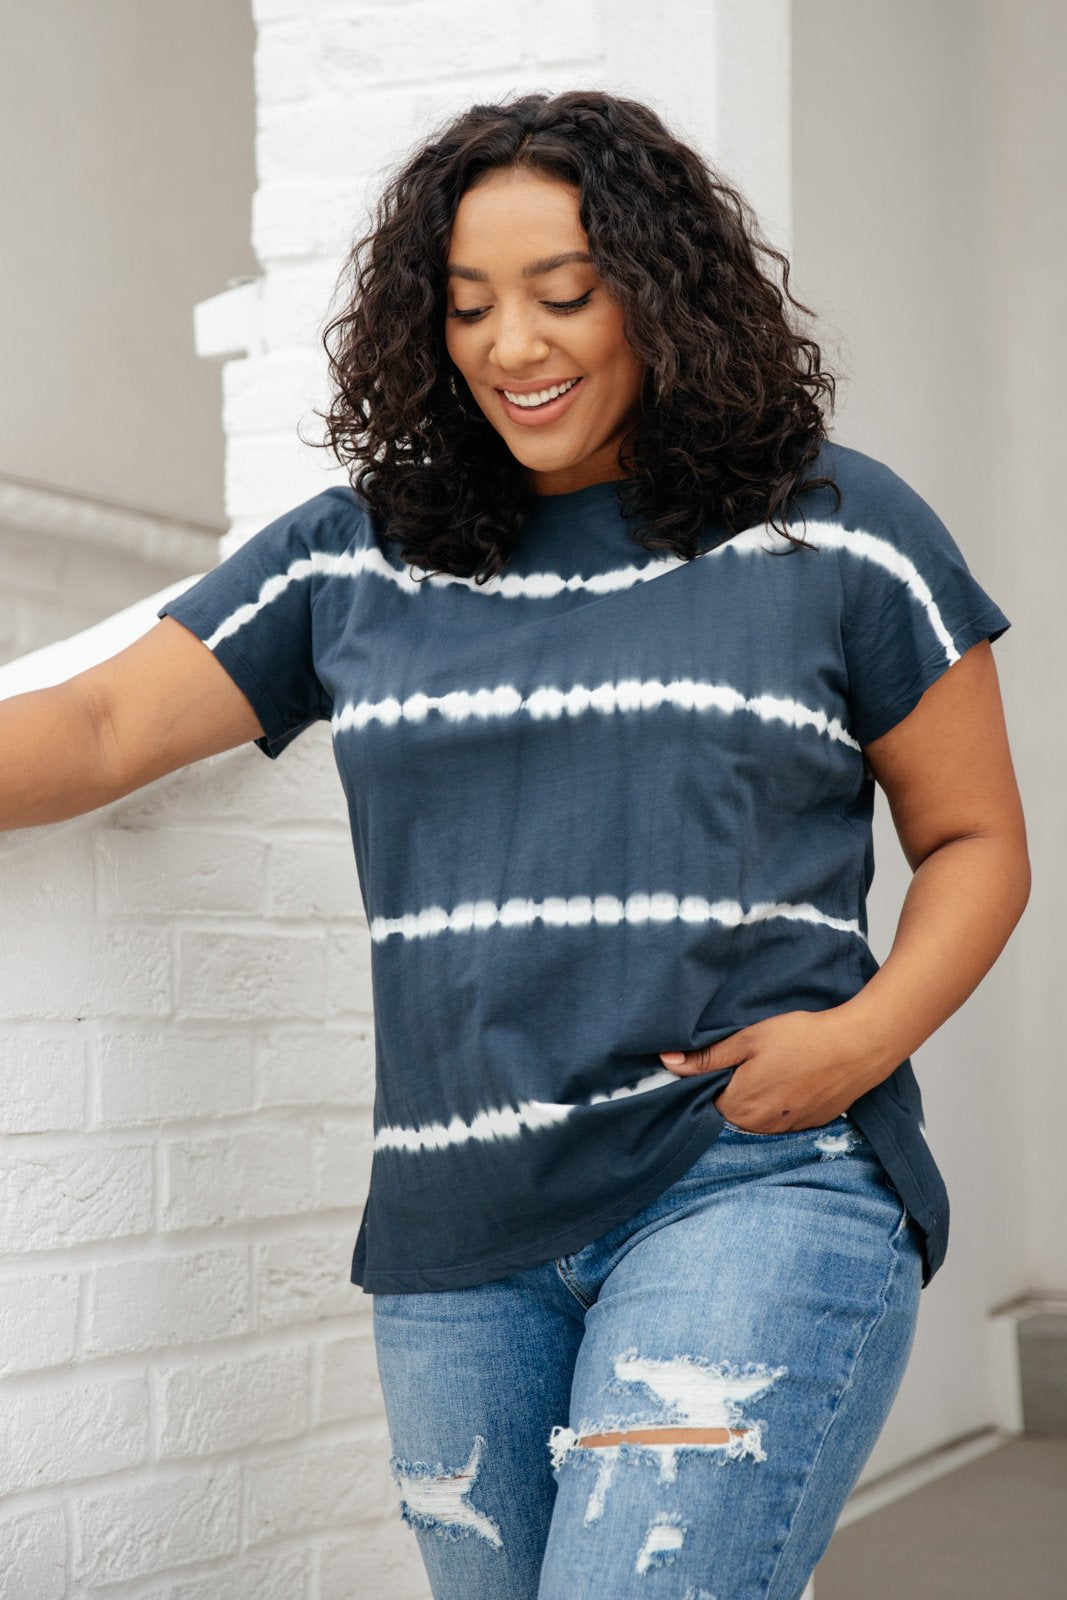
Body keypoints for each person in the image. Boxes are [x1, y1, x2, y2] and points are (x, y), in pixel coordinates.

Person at [1, 89, 1028, 1600]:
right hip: (456, 1240)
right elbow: (92, 731)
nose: (513, 346)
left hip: (747, 1183)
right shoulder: (359, 555)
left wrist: (861, 1041)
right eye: (469, 305)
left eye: (566, 294)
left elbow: (976, 837)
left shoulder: (836, 531)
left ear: (665, 296)